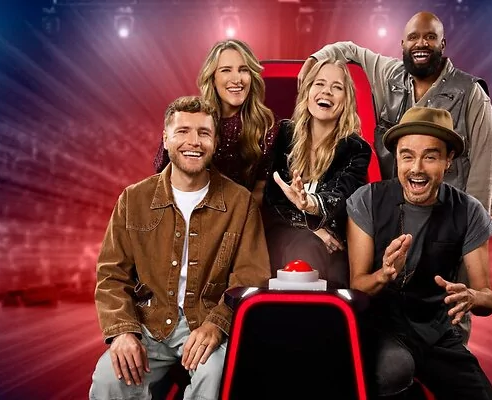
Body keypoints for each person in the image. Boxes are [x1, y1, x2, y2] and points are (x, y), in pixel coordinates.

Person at [299, 10, 492, 342]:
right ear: (402, 44)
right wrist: (316, 59)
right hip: (391, 216)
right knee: (385, 309)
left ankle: (448, 356)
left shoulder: (471, 93)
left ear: (443, 44)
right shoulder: (389, 73)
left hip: (445, 220)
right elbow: (349, 49)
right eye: (414, 38)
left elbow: (485, 173)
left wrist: (468, 233)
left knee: (448, 312)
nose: (421, 44)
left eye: (430, 37)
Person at [89, 96, 271, 400]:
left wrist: (217, 325)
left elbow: (251, 278)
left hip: (207, 322)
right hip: (148, 323)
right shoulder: (133, 199)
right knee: (109, 377)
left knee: (214, 375)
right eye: (183, 131)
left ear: (215, 141)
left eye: (203, 133)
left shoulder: (240, 203)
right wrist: (122, 332)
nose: (194, 142)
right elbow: (111, 276)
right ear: (166, 138)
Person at [346, 107, 492, 399]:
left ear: (448, 160)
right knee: (392, 370)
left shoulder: (469, 211)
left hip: (437, 334)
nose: (416, 168)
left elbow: (488, 298)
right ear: (397, 158)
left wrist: (471, 297)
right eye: (407, 156)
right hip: (383, 329)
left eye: (430, 157)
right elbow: (358, 285)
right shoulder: (366, 200)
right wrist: (384, 274)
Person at [262, 58, 372, 289]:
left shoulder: (356, 148)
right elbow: (272, 201)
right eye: (319, 83)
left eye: (337, 87)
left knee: (336, 270)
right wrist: (311, 227)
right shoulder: (284, 134)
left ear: (346, 99)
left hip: (331, 240)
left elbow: (342, 196)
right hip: (282, 231)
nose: (327, 92)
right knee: (307, 246)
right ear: (307, 91)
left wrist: (311, 205)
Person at [154, 39, 278, 205]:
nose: (237, 79)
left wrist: (229, 216)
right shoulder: (191, 116)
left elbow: (261, 191)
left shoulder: (267, 125)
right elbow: (162, 173)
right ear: (212, 78)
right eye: (226, 70)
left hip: (242, 212)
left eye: (244, 70)